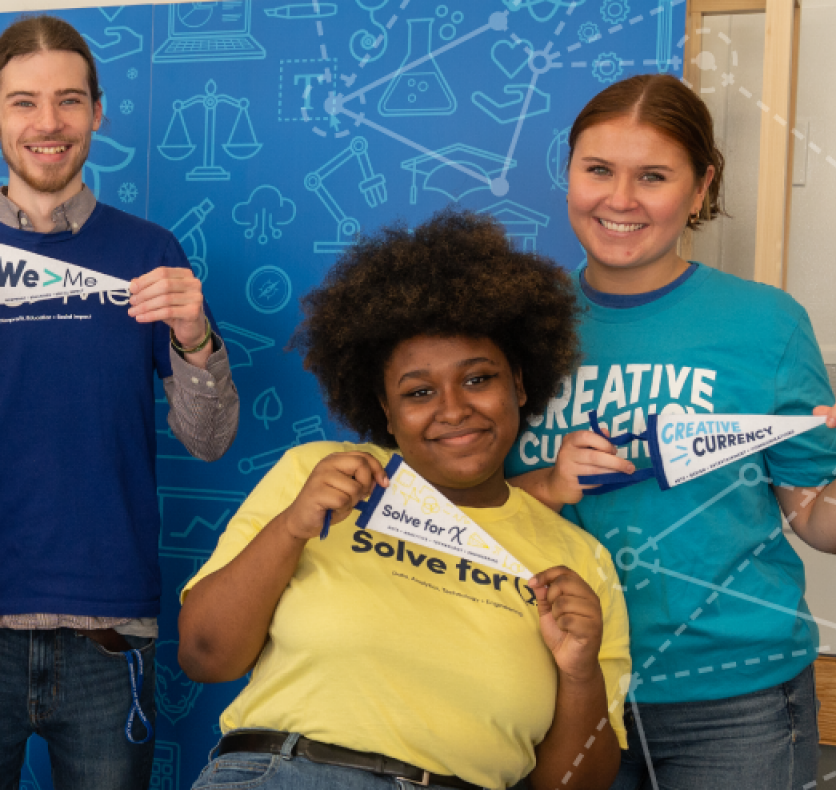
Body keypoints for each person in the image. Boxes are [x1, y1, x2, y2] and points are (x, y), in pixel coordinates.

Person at [507, 74, 836, 790]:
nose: (620, 199)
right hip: (546, 686)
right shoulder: (511, 324)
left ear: (700, 189)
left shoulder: (765, 323)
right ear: (568, 174)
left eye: (653, 176)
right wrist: (548, 480)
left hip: (734, 700)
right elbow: (463, 511)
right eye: (598, 170)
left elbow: (820, 522)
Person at [0, 16, 239, 789]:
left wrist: (193, 336)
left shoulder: (150, 251)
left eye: (69, 101)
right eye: (23, 103)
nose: (47, 124)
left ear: (97, 112)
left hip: (111, 630)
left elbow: (210, 439)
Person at [179, 208, 630, 790]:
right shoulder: (316, 473)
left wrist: (579, 672)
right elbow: (204, 656)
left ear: (519, 383)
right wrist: (291, 528)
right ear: (385, 411)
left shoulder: (580, 562)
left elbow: (575, 785)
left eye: (478, 379)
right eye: (419, 392)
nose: (453, 409)